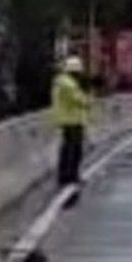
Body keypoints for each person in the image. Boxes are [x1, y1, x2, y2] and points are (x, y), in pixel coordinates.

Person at [51, 56, 91, 192]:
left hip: (68, 120)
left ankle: (66, 176)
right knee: (73, 151)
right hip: (72, 121)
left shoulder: (63, 82)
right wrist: (88, 95)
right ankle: (70, 176)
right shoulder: (69, 84)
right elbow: (81, 101)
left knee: (68, 149)